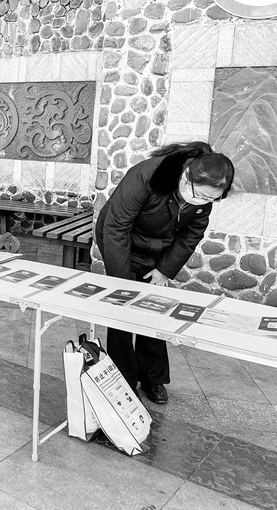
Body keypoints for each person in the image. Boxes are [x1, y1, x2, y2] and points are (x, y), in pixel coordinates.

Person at [95, 141, 234, 405]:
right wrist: (122, 283)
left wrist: (164, 270)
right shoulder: (147, 175)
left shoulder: (203, 197)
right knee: (122, 310)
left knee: (153, 308)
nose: (204, 202)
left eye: (212, 199)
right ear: (186, 177)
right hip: (121, 242)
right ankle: (123, 378)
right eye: (202, 196)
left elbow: (191, 234)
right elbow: (116, 227)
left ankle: (152, 377)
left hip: (158, 251)